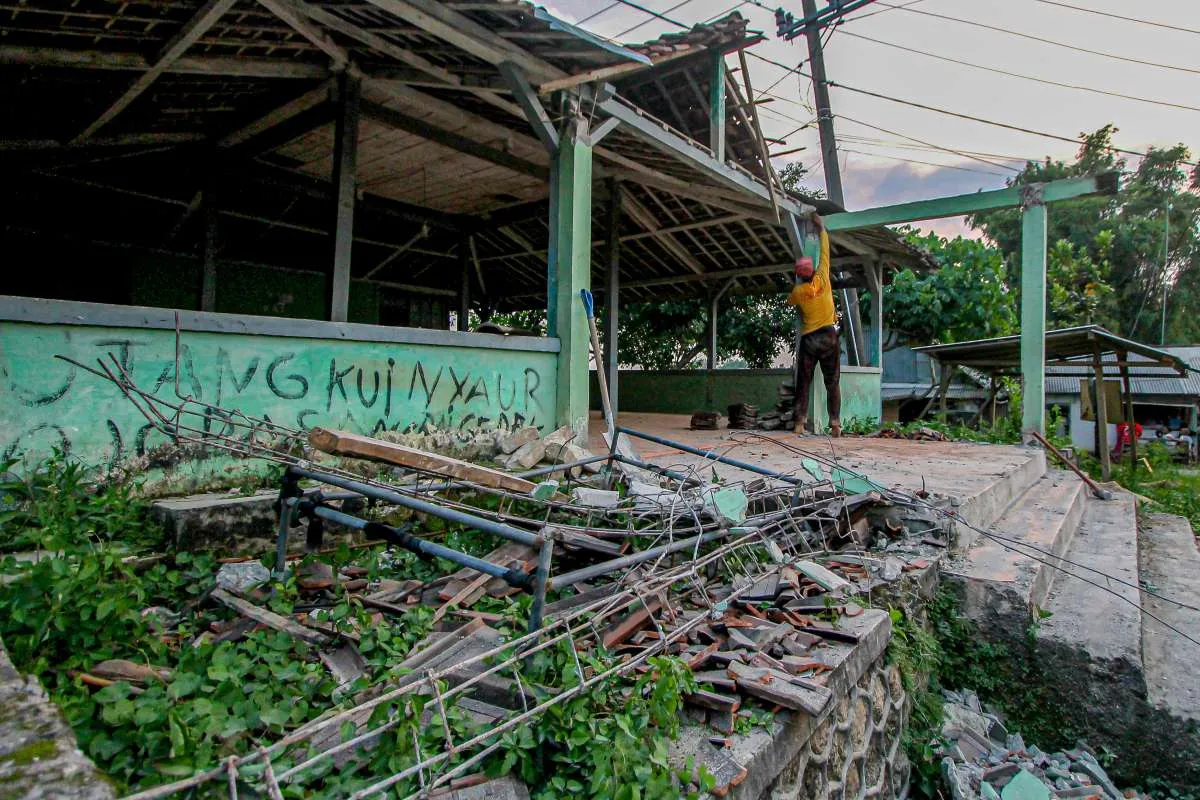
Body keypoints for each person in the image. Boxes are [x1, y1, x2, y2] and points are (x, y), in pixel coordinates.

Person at [787, 212, 841, 437]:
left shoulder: (798, 292)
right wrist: (821, 228)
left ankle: (799, 423)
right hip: (829, 336)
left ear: (799, 275)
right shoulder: (823, 278)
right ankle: (835, 422)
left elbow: (790, 302)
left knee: (804, 382)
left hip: (809, 338)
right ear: (813, 270)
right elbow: (825, 251)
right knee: (832, 382)